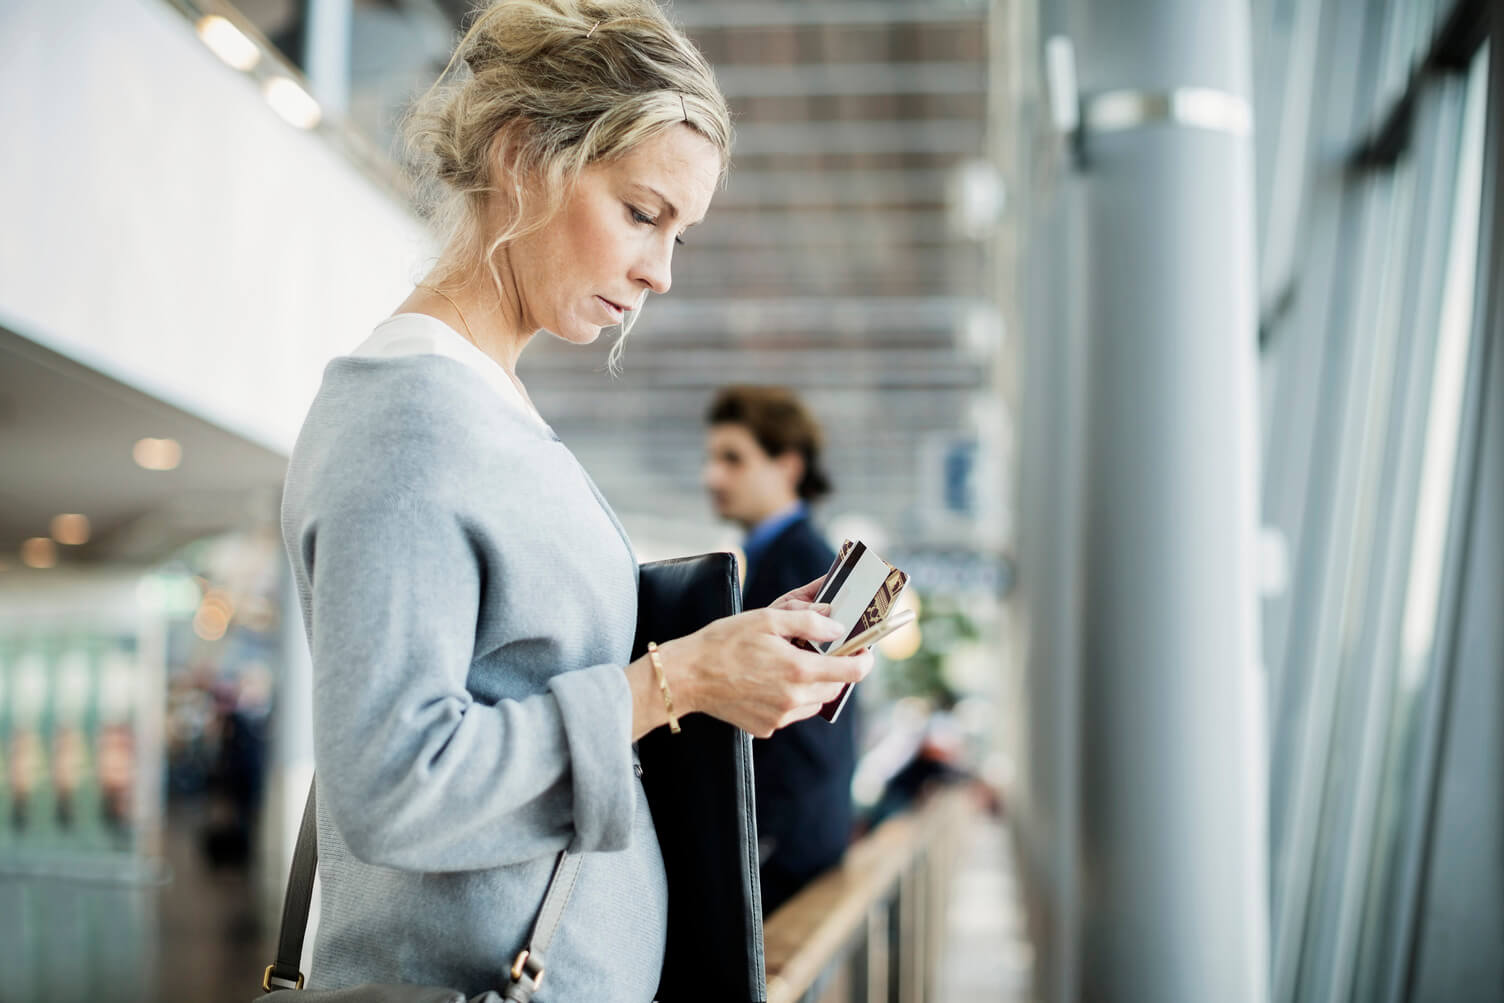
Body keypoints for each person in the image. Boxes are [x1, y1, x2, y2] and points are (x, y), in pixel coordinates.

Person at [278, 2, 873, 997]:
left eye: (678, 233)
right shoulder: (410, 421)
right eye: (642, 213)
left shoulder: (482, 404)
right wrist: (673, 680)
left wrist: (723, 661)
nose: (661, 271)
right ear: (521, 157)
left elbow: (533, 677)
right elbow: (395, 782)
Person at [703, 385, 857, 914]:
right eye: (712, 459)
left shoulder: (798, 567)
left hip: (782, 853)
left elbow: (805, 733)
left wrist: (755, 841)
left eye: (733, 459)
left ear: (788, 466)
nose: (713, 477)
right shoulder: (787, 559)